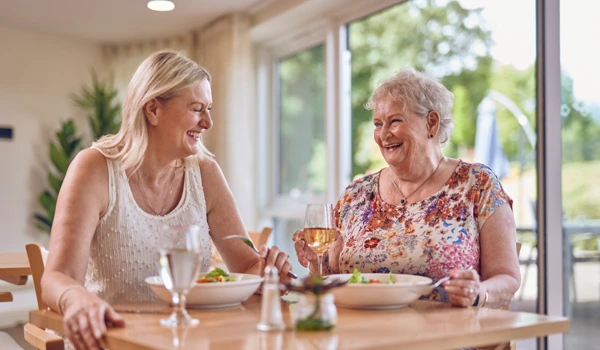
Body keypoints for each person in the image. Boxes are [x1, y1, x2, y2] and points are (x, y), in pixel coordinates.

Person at [41, 50, 293, 350]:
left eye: (209, 108)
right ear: (153, 110)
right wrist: (76, 298)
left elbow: (246, 268)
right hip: (112, 343)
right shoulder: (94, 168)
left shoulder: (205, 172)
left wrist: (267, 271)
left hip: (188, 342)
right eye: (197, 108)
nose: (208, 122)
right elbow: (58, 276)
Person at [294, 68, 520, 309]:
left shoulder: (477, 185)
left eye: (395, 121)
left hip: (444, 335)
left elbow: (507, 278)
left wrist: (477, 292)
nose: (383, 135)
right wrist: (314, 260)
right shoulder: (356, 195)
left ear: (431, 123)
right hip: (359, 333)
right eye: (378, 124)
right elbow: (327, 279)